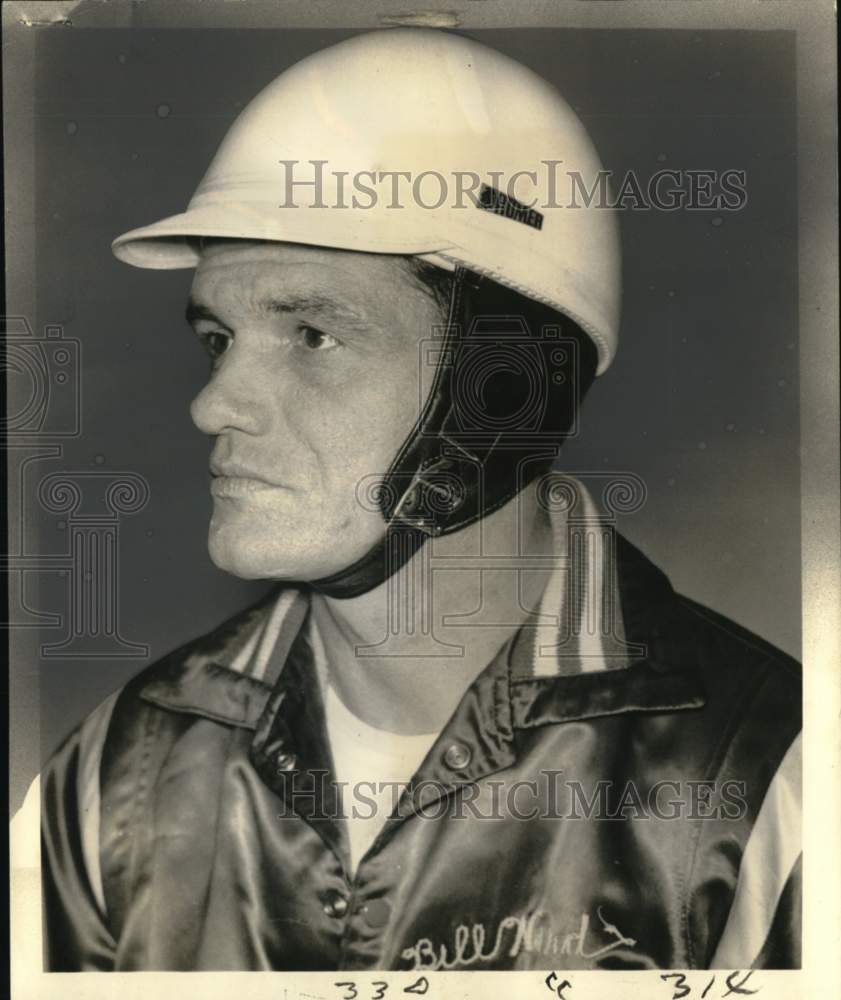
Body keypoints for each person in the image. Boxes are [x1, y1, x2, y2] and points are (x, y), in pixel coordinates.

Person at [41, 28, 800, 972]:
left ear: (501, 389)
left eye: (313, 335)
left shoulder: (773, 788)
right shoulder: (116, 772)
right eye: (217, 339)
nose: (211, 405)